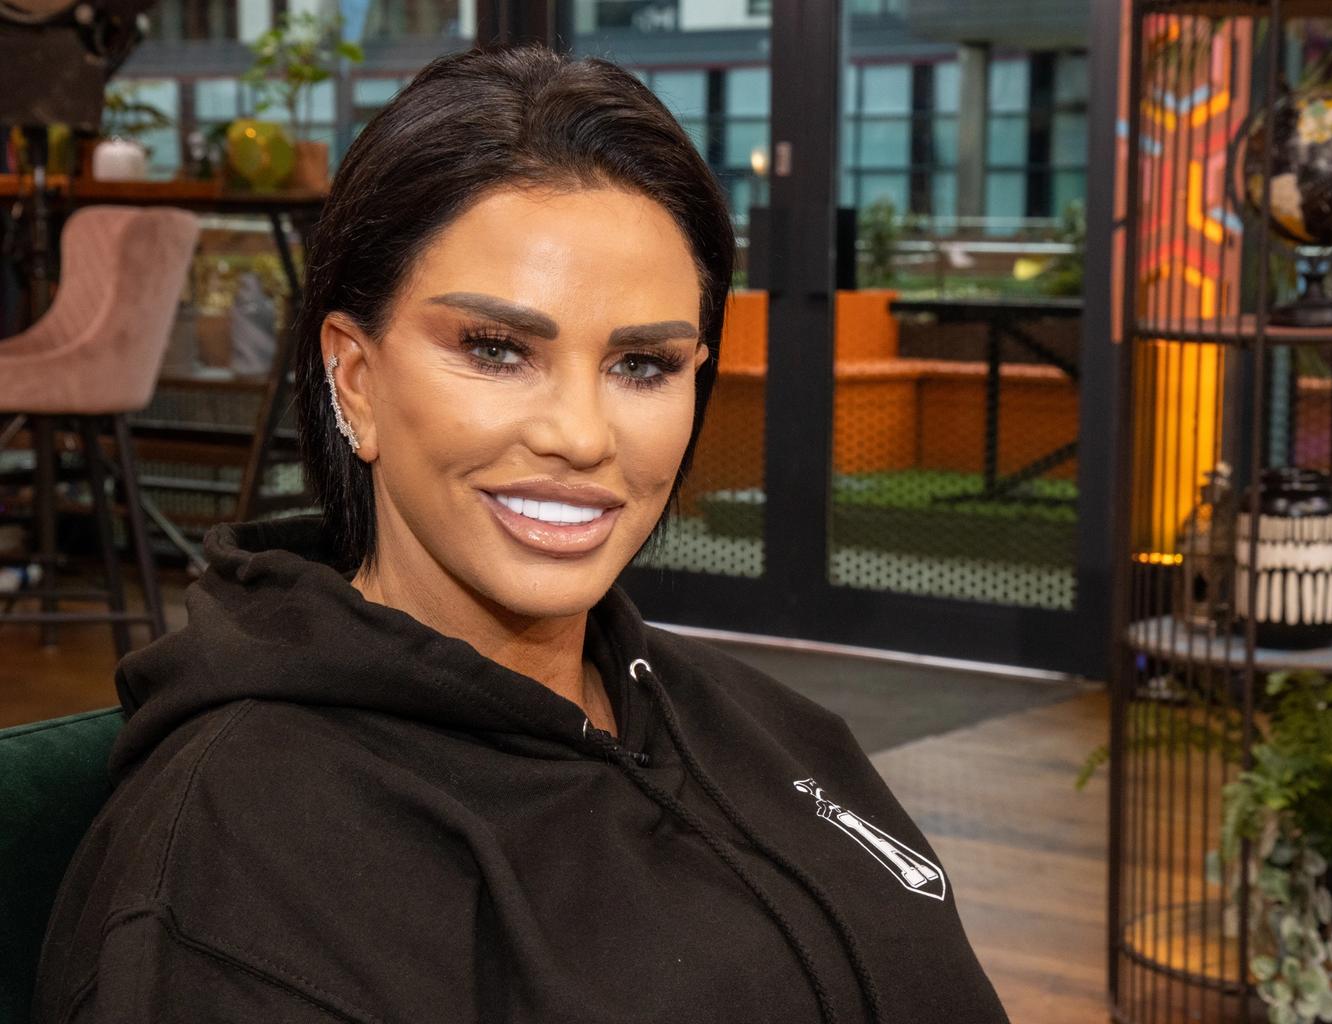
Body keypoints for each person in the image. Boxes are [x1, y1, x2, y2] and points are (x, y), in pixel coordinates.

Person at [32, 45, 1008, 1024]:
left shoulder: (769, 728)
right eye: (497, 351)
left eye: (643, 364)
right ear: (354, 382)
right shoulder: (235, 870)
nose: (580, 435)